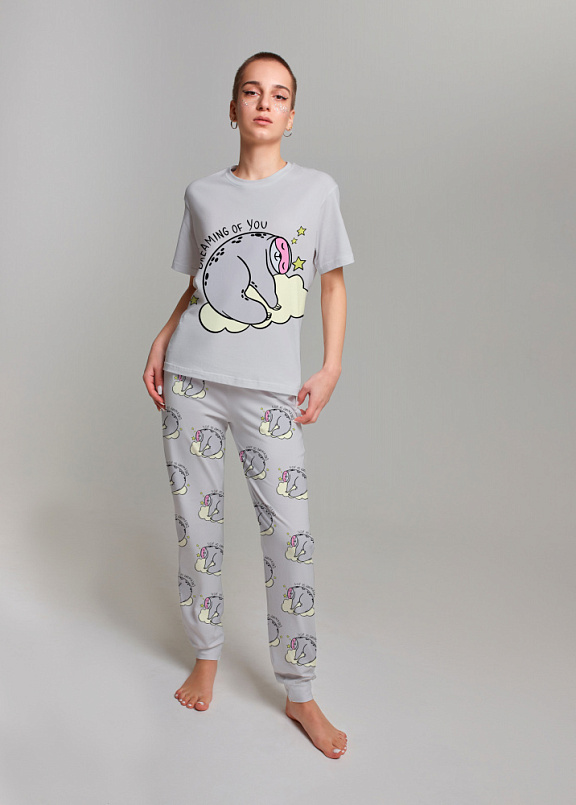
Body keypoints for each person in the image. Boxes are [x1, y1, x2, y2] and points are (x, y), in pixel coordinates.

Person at [143, 52, 354, 759]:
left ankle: (300, 689)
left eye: (279, 95)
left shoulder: (316, 191)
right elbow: (201, 285)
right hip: (192, 381)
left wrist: (330, 367)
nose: (264, 103)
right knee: (196, 527)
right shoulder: (202, 193)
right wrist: (161, 338)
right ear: (232, 107)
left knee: (289, 536)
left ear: (292, 116)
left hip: (269, 392)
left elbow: (331, 283)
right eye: (251, 92)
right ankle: (205, 655)